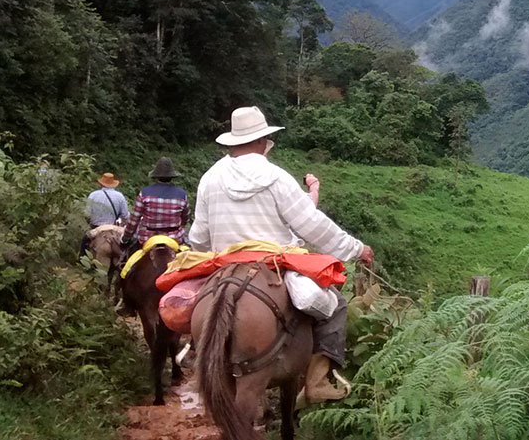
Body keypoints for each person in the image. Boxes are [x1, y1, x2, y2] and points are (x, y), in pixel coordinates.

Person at [189, 106, 373, 403]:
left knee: (197, 300)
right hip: (273, 263)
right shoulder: (276, 177)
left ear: (233, 142)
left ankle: (194, 349)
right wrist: (356, 248)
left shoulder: (210, 178)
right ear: (263, 142)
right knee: (335, 305)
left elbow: (198, 236)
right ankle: (316, 381)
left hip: (225, 263)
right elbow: (311, 224)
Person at [123, 157, 190, 250]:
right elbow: (185, 219)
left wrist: (125, 238)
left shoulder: (144, 193)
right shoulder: (182, 195)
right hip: (174, 239)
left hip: (148, 239)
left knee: (129, 260)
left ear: (156, 176)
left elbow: (134, 220)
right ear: (172, 176)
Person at [82, 173, 130, 257]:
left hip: (96, 227)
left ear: (101, 183)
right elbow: (126, 216)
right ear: (113, 184)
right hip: (114, 228)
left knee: (84, 241)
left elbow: (87, 215)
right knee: (127, 245)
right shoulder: (120, 196)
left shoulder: (93, 195)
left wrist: (89, 222)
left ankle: (82, 261)